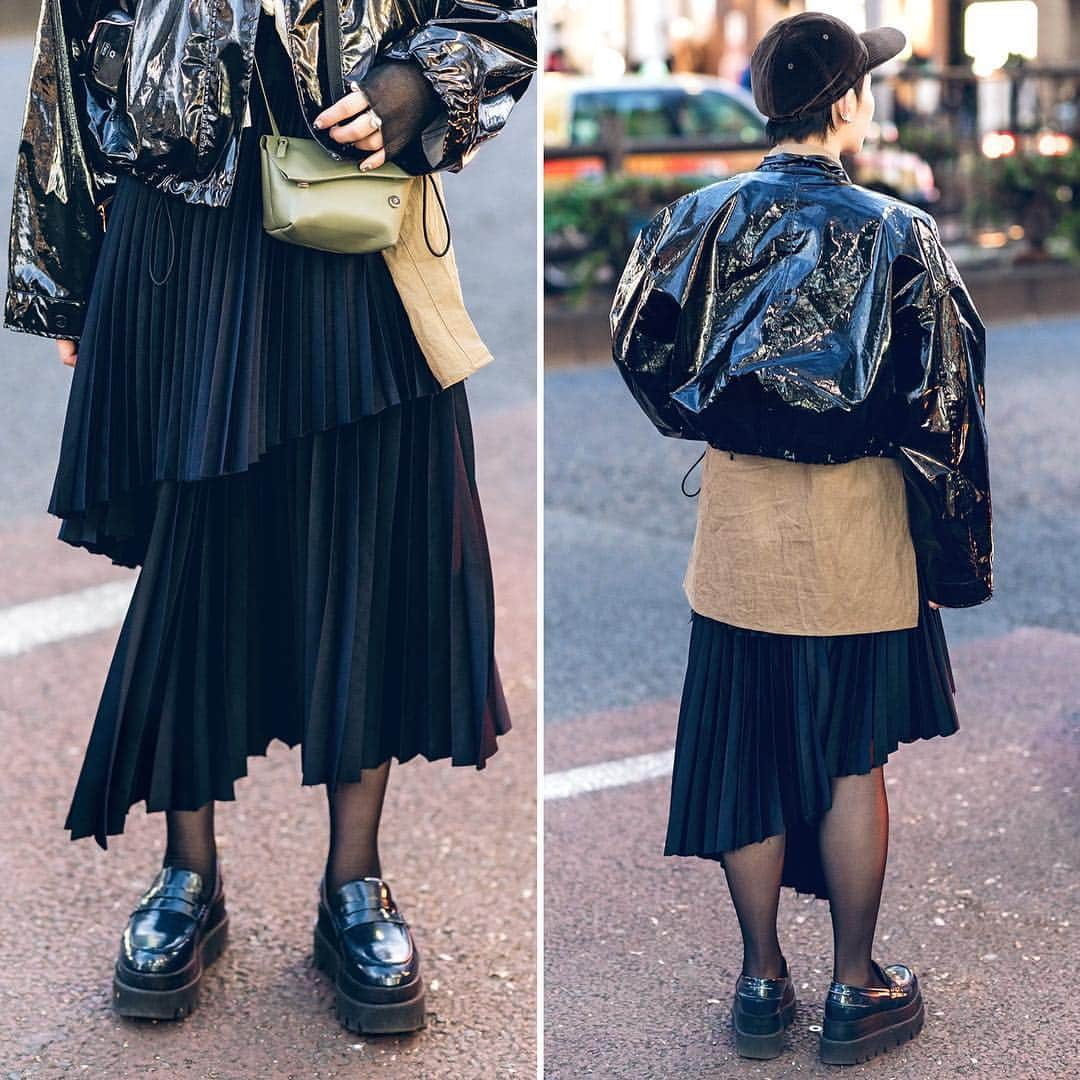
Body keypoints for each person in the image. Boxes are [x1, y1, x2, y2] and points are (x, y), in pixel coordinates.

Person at [5, 0, 536, 1034]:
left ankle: (354, 884)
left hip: (356, 217)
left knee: (368, 548)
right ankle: (186, 877)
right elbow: (71, 52)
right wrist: (64, 278)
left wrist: (419, 83)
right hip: (177, 241)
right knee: (195, 568)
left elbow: (496, 11)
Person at [611, 12, 992, 1067]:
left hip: (739, 529)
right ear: (846, 103)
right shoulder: (898, 232)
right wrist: (956, 546)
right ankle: (854, 989)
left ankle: (760, 983)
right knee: (847, 761)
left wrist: (725, 416)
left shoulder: (693, 220)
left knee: (743, 758)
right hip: (859, 528)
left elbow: (639, 344)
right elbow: (947, 401)